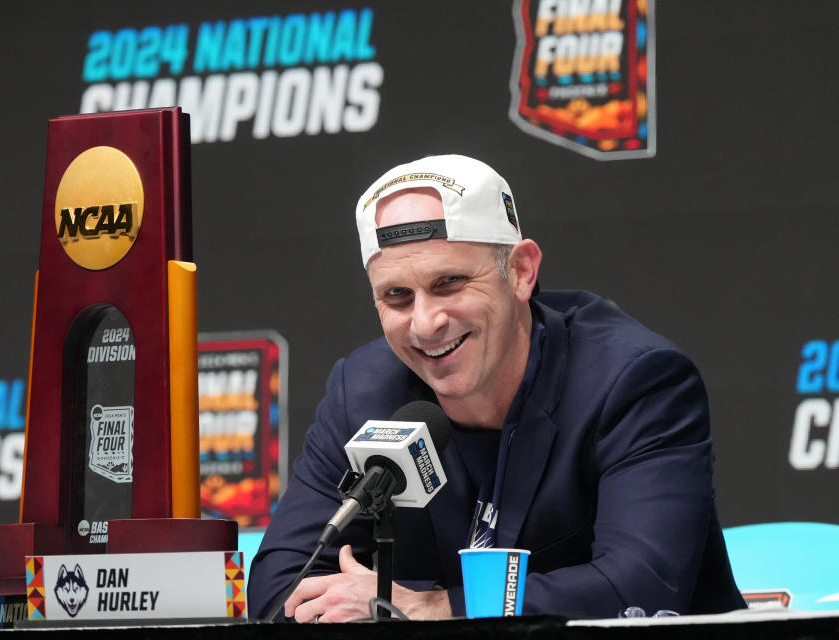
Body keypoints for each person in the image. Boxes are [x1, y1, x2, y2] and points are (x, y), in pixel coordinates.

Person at [247, 155, 745, 622]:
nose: (425, 323)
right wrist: (393, 606)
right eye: (397, 296)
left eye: (450, 283)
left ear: (522, 272)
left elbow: (641, 587)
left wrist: (429, 607)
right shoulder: (362, 391)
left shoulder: (632, 381)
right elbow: (280, 582)